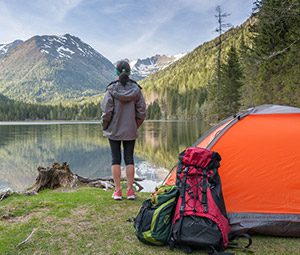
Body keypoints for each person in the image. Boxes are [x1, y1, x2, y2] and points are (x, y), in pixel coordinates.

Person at [101, 60, 146, 200]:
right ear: (129, 72)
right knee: (129, 159)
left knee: (115, 159)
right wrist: (134, 125)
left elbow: (106, 111)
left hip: (114, 130)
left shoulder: (111, 89)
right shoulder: (136, 90)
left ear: (116, 72)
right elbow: (142, 112)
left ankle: (118, 191)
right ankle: (131, 191)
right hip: (130, 130)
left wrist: (105, 125)